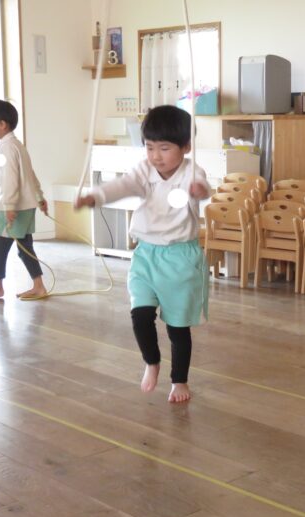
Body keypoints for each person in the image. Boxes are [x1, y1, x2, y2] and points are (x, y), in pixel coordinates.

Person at [76, 105, 210, 403]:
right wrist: (95, 196)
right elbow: (122, 186)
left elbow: (203, 187)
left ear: (186, 147)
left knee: (178, 327)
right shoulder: (144, 170)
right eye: (149, 147)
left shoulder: (192, 172)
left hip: (180, 258)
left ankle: (179, 380)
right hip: (146, 255)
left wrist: (200, 191)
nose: (156, 156)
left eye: (164, 148)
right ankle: (151, 361)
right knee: (140, 314)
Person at [0, 100, 48, 301]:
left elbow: (10, 179)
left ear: (2, 124)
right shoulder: (17, 145)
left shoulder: (6, 148)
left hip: (14, 207)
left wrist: (8, 205)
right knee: (25, 247)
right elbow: (30, 174)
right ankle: (38, 286)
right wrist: (39, 197)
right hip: (26, 205)